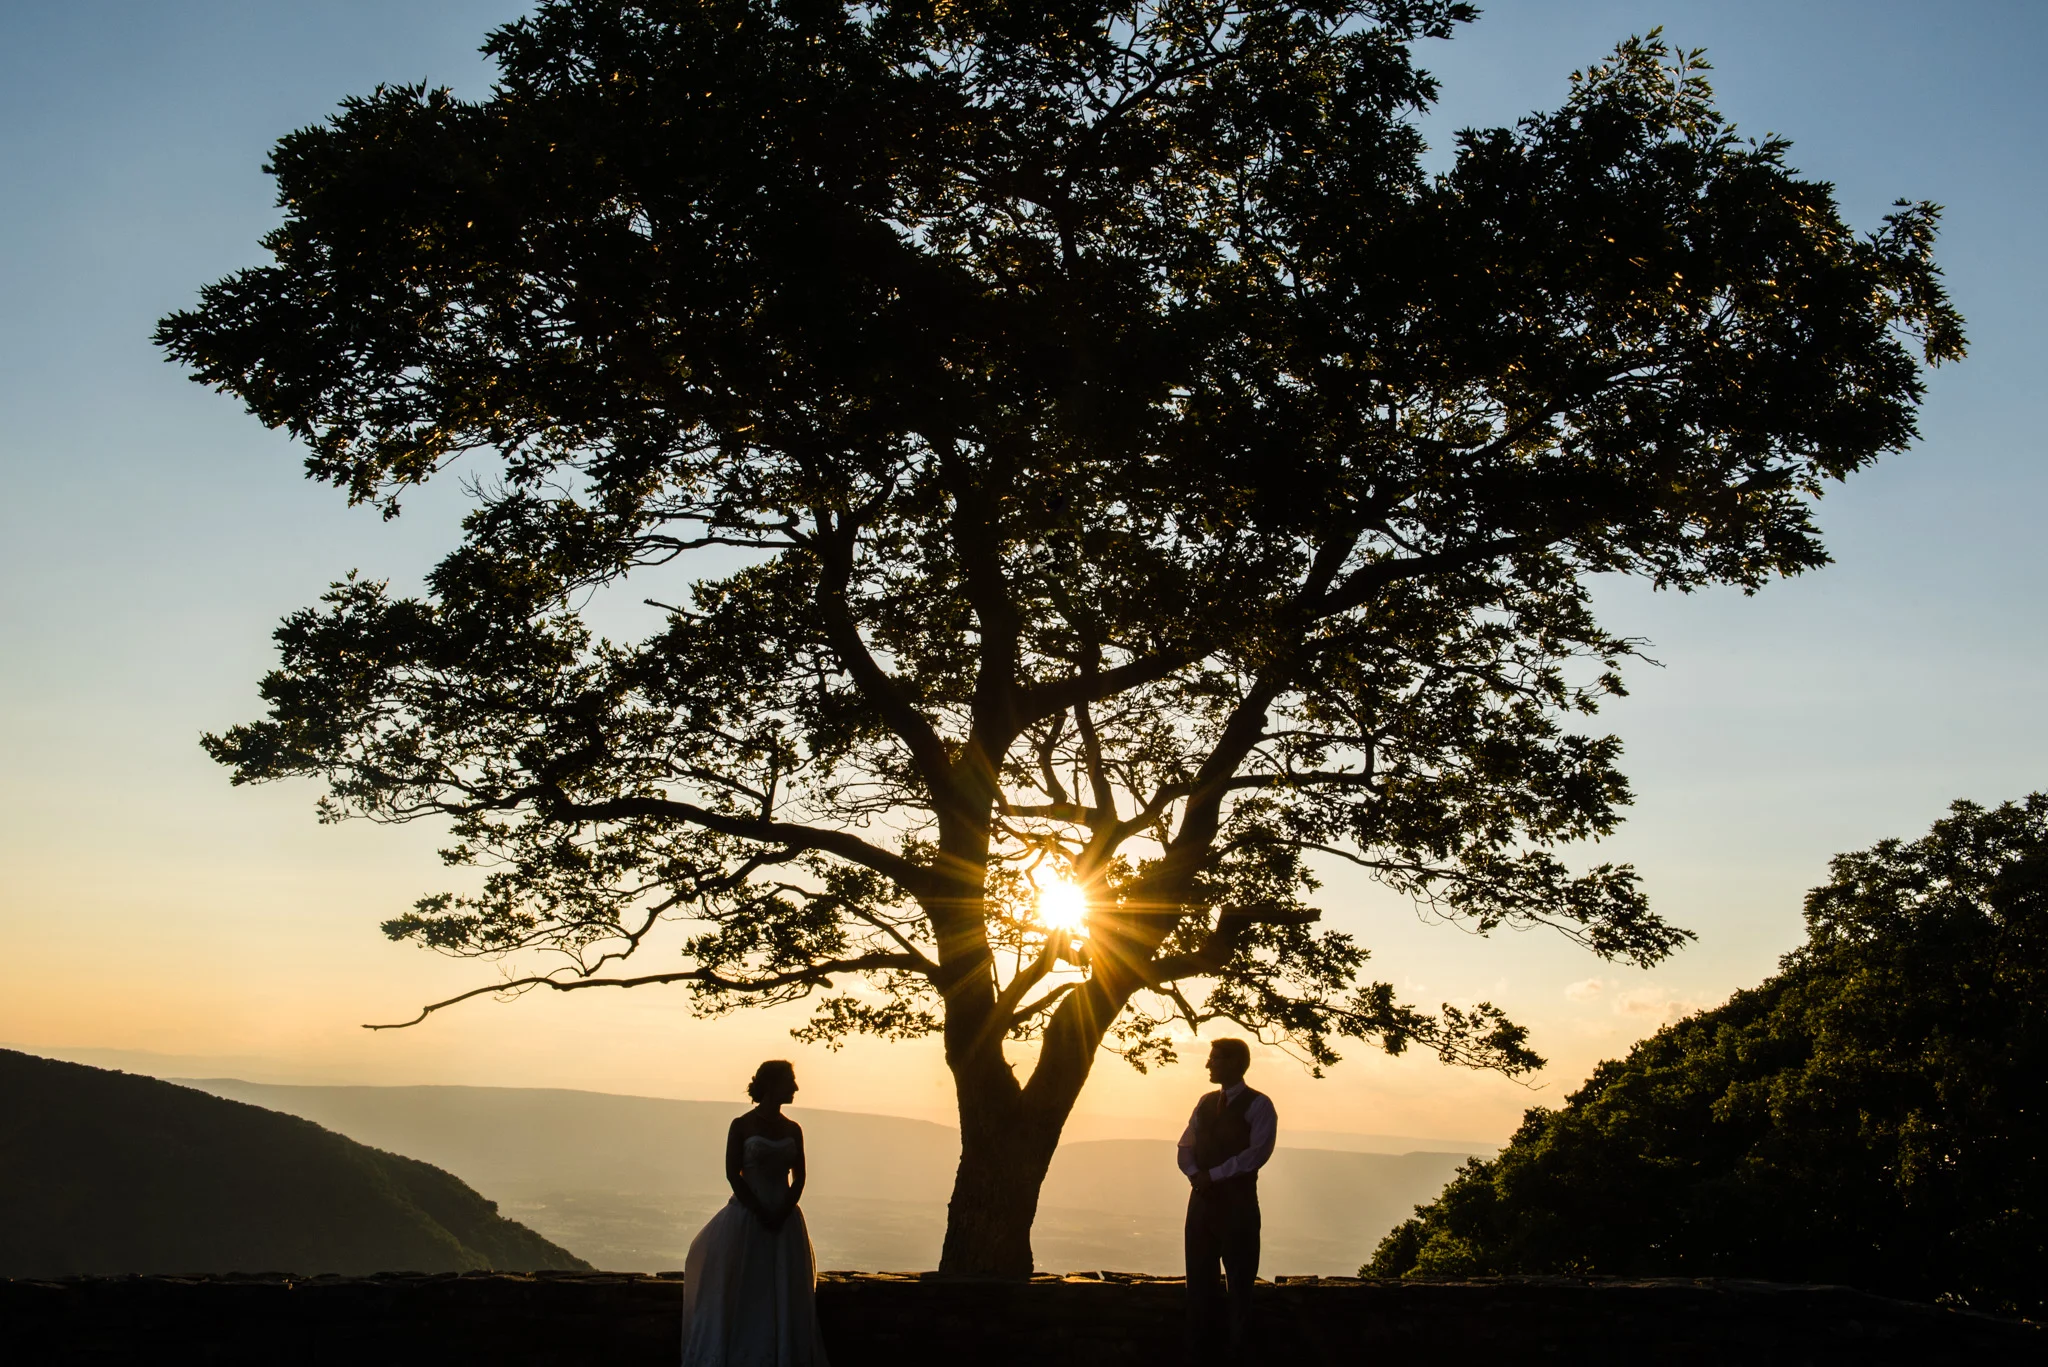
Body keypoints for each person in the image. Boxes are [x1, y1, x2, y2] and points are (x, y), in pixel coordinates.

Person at [680, 1060, 830, 1366]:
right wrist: (760, 1211)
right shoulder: (742, 1125)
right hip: (747, 1218)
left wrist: (783, 1210)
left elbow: (800, 1177)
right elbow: (733, 1174)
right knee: (746, 1289)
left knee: (783, 1289)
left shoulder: (793, 1129)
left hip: (785, 1221)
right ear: (772, 1084)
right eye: (790, 1081)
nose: (795, 1087)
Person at [1177, 1038, 1277, 1364]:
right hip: (1201, 1203)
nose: (1208, 1064)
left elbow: (1256, 1155)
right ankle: (1200, 1352)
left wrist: (1212, 1176)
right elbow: (1185, 1145)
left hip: (1238, 1206)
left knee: (1240, 1285)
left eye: (1215, 1059)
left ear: (1235, 1063)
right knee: (1198, 1284)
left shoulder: (1259, 1106)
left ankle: (1237, 1353)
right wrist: (1196, 1175)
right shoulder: (1205, 1101)